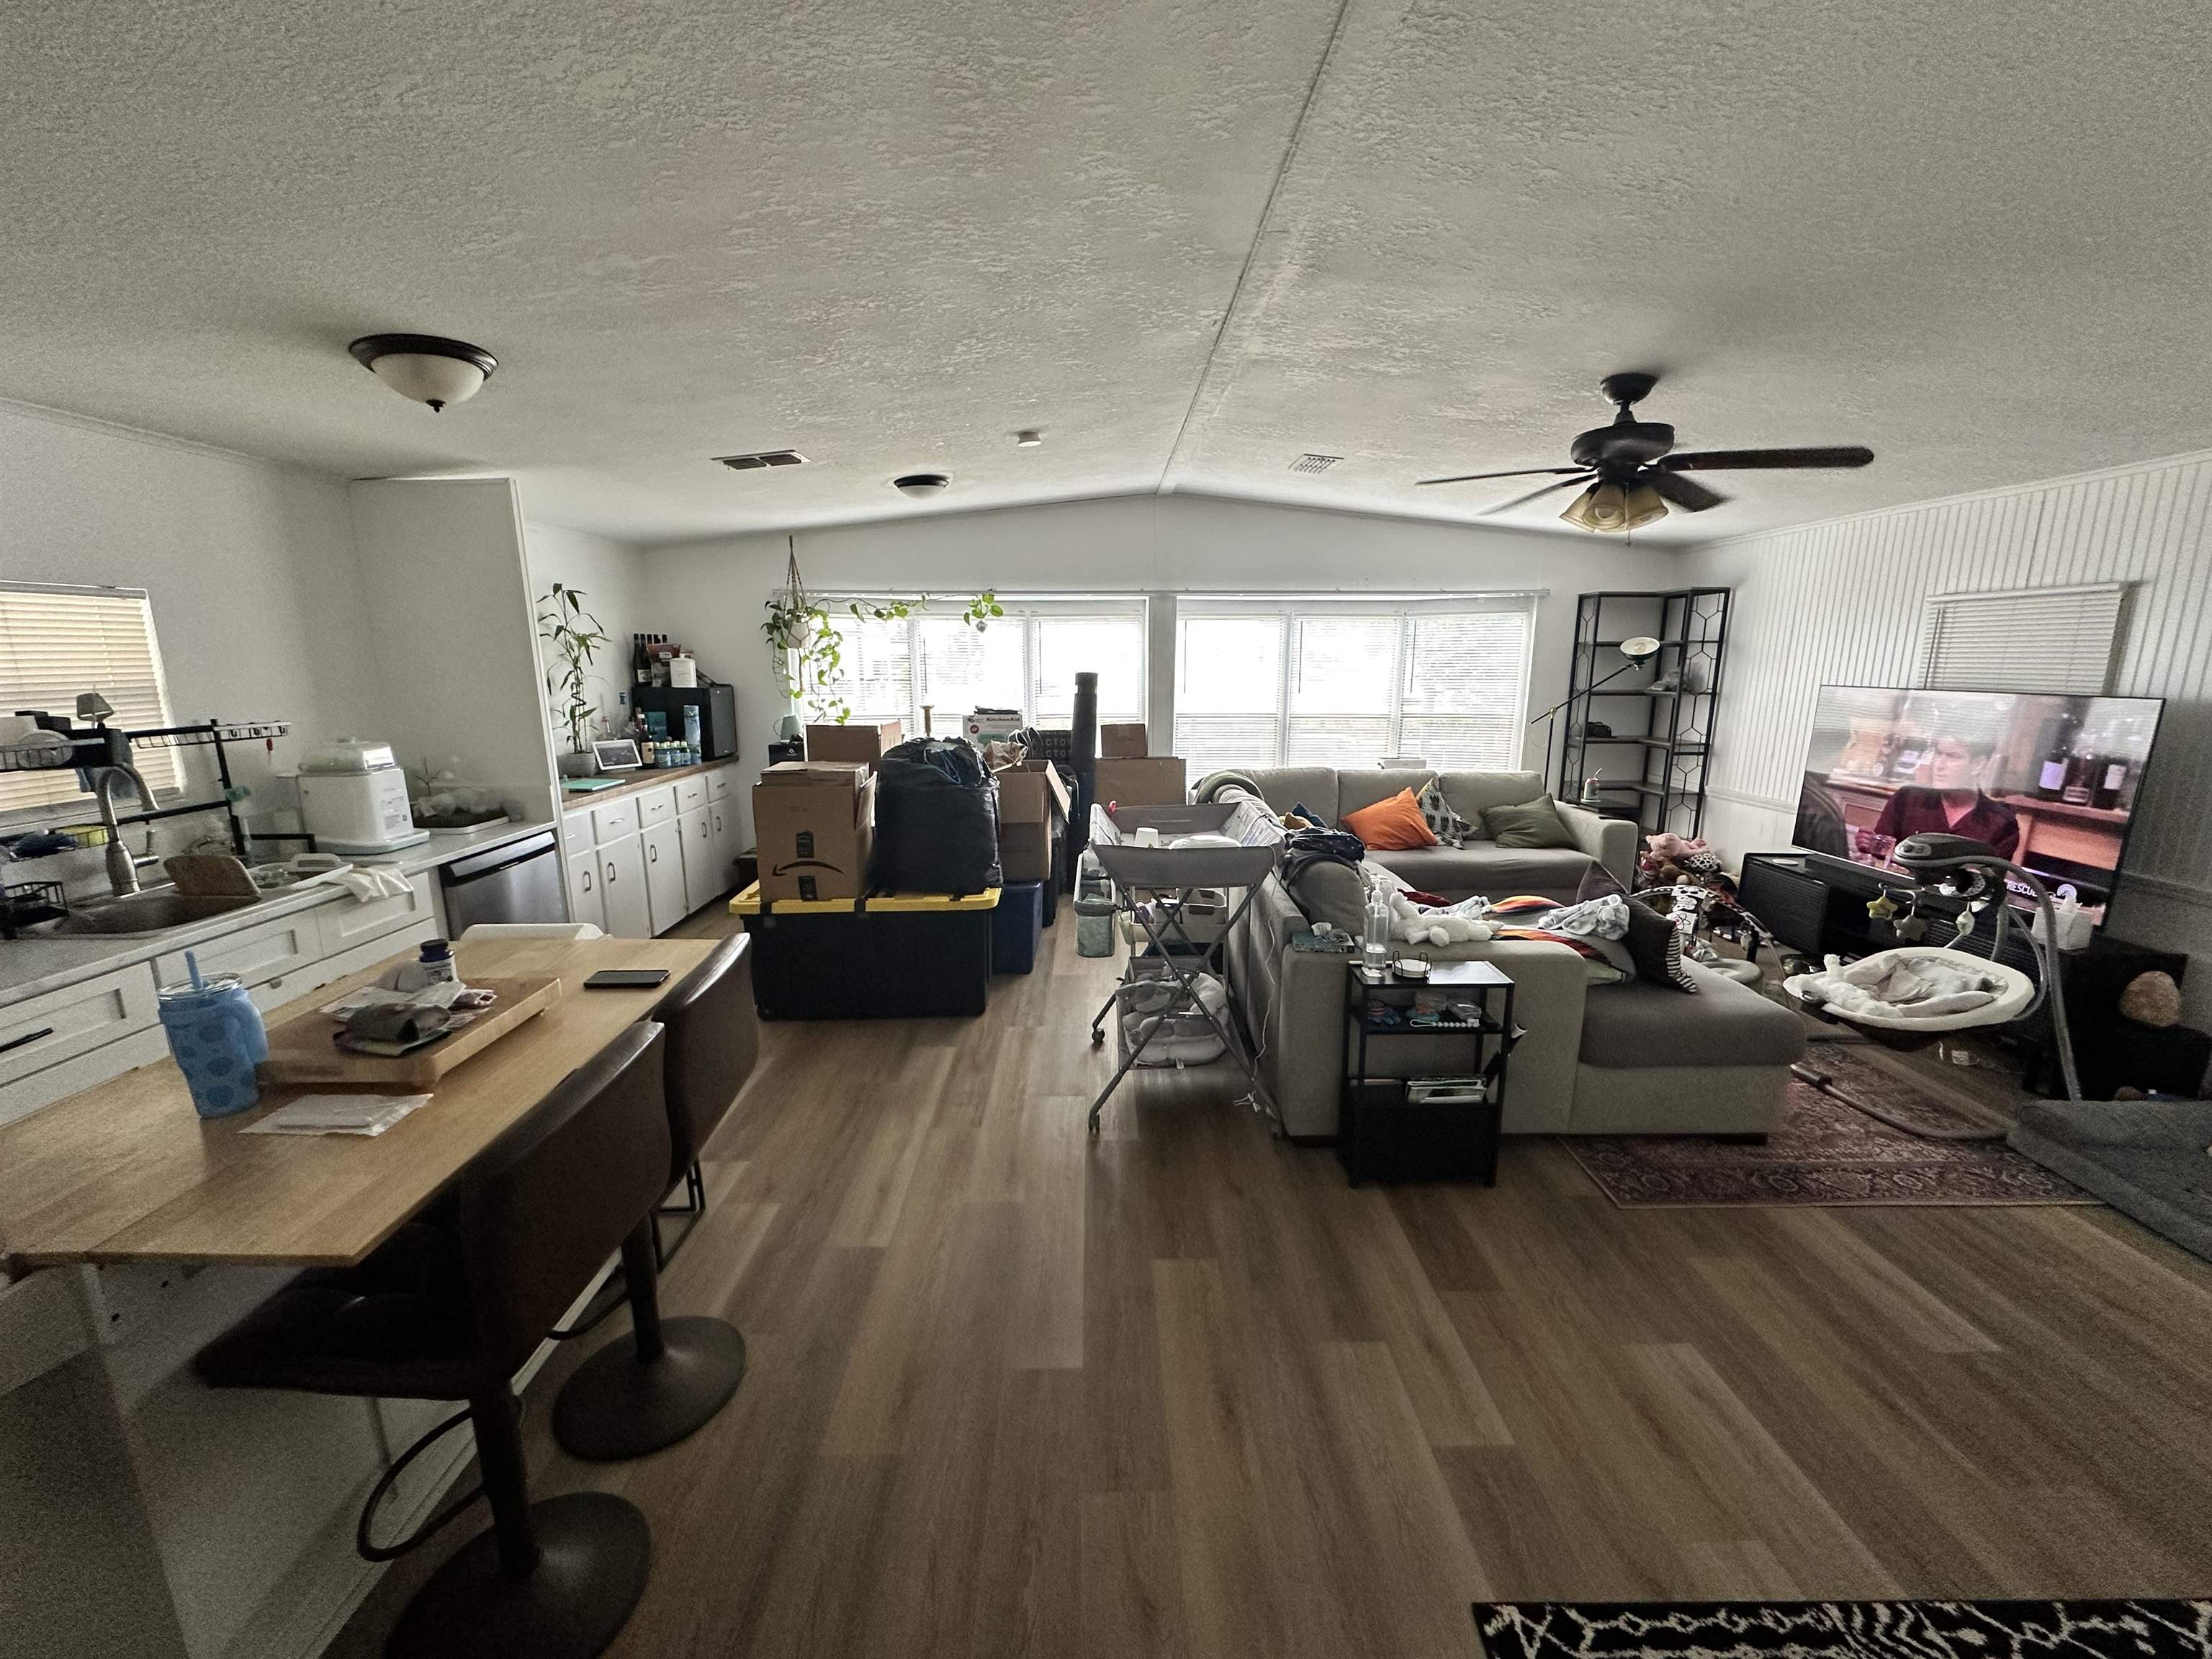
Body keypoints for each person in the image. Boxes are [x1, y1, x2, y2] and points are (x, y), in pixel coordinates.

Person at [1869, 732, 2019, 859]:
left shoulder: (2001, 824)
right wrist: (1868, 848)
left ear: (1977, 765)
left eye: (1952, 757)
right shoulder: (1907, 798)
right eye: (1938, 754)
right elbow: (1879, 855)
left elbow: (1987, 886)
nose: (1939, 765)